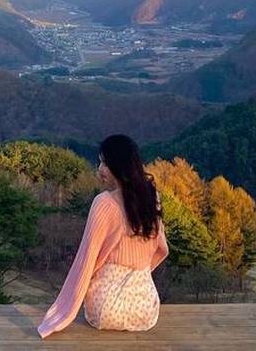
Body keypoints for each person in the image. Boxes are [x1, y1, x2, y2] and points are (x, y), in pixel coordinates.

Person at [37, 133, 169, 339]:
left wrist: (65, 309)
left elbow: (86, 259)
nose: (100, 170)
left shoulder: (104, 203)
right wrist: (141, 270)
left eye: (105, 163)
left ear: (120, 166)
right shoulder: (152, 198)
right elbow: (162, 248)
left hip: (105, 309)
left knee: (93, 292)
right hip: (146, 310)